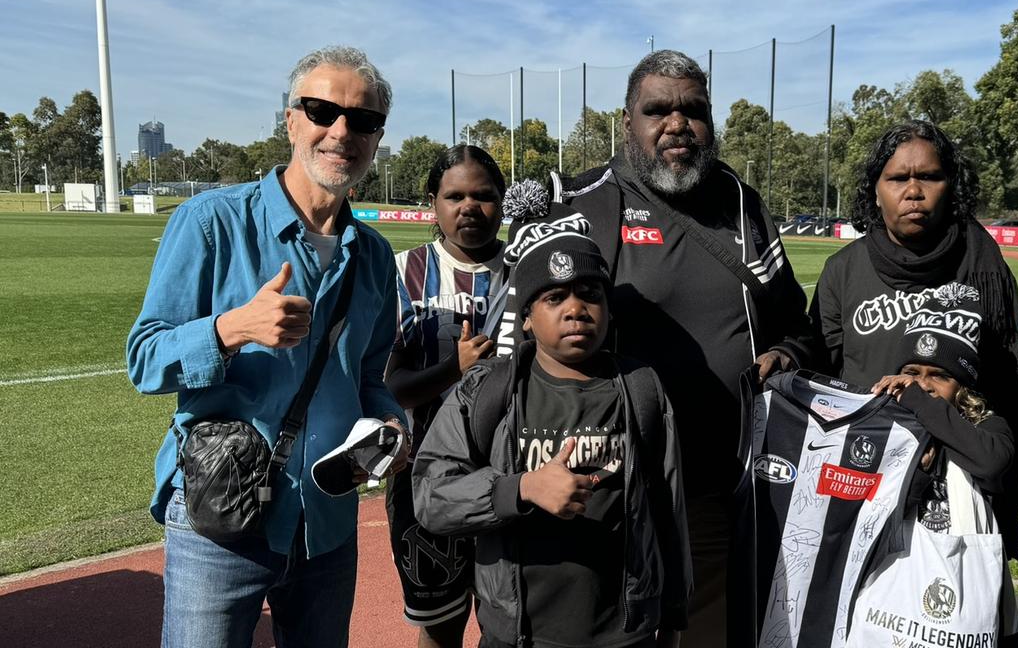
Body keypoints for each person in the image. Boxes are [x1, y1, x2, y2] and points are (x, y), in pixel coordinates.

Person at [525, 49, 814, 647]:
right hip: (609, 489)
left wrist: (786, 353)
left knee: (707, 631)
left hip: (719, 480)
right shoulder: (582, 204)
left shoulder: (743, 204)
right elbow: (524, 344)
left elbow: (796, 322)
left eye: (693, 110)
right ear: (627, 120)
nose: (676, 124)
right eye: (658, 110)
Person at [125, 45, 410, 648]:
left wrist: (390, 424)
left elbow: (372, 377)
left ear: (378, 136)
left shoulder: (376, 256)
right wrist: (232, 329)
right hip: (220, 520)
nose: (341, 131)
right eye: (321, 110)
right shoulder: (210, 223)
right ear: (290, 121)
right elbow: (145, 359)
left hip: (327, 523)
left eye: (362, 120)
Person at [413, 205, 690, 648]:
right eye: (554, 297)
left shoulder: (643, 389)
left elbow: (668, 510)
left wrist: (674, 616)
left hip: (624, 636)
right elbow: (431, 497)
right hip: (519, 634)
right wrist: (519, 489)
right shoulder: (488, 392)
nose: (576, 309)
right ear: (525, 315)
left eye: (589, 293)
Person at [808, 118, 1018, 565]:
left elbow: (1007, 392)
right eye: (897, 178)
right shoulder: (843, 271)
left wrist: (1008, 504)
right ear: (876, 189)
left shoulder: (983, 265)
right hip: (870, 482)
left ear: (951, 186)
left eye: (929, 176)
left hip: (960, 493)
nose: (913, 190)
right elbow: (822, 379)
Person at [382, 145, 507, 648]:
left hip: (512, 470)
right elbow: (389, 385)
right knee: (440, 621)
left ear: (502, 201)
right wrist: (454, 369)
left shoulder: (529, 271)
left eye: (483, 195)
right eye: (454, 196)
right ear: (432, 202)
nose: (469, 207)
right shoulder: (402, 270)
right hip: (426, 477)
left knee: (512, 620)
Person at [870, 314, 1018, 643]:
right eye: (912, 373)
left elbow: (993, 463)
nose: (923, 384)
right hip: (896, 582)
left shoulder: (987, 427)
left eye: (939, 376)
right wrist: (921, 474)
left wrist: (917, 403)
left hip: (968, 580)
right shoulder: (879, 427)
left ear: (963, 386)